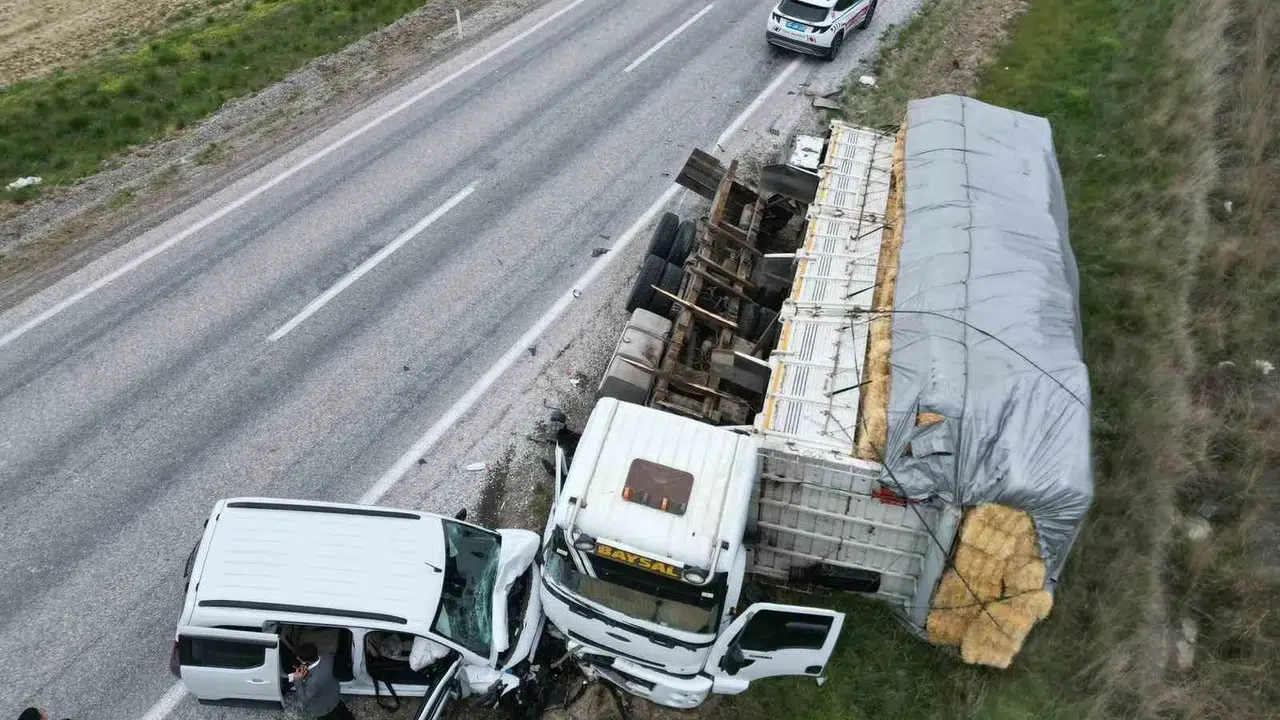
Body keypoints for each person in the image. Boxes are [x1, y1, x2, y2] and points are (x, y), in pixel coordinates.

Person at [288, 642, 356, 720]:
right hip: (335, 698)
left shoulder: (313, 681)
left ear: (305, 661)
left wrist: (297, 680)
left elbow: (305, 699)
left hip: (324, 709)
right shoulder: (327, 657)